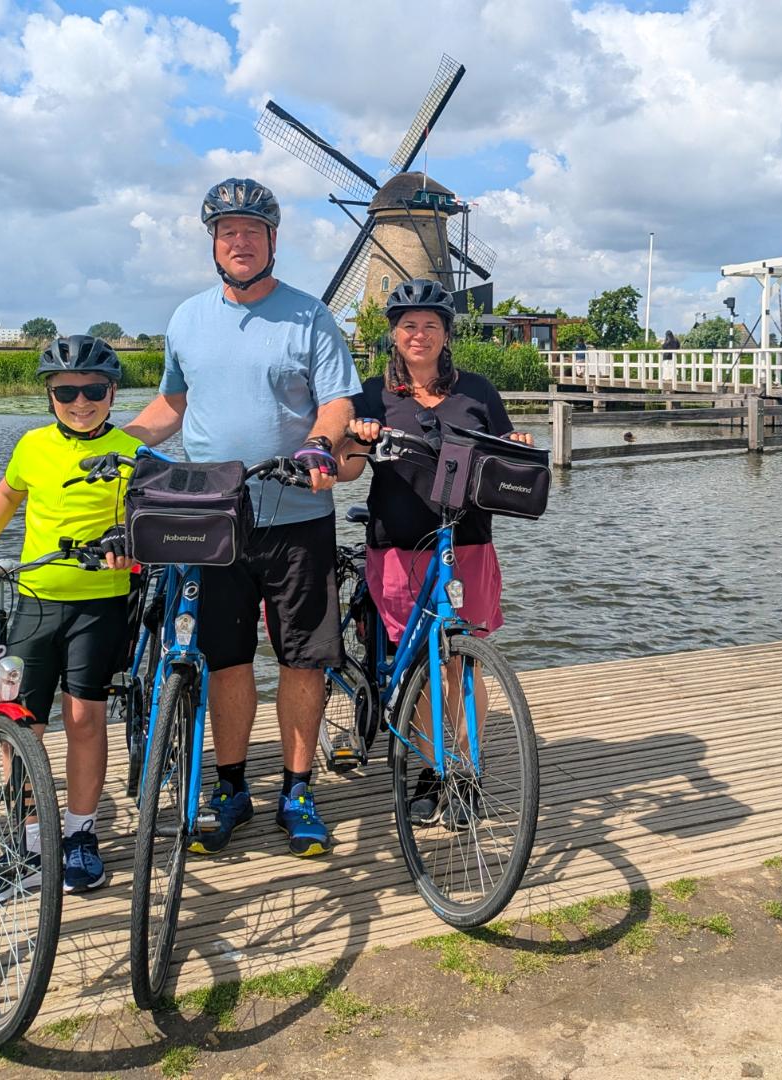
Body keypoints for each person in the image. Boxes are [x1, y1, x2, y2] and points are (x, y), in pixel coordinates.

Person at [120, 177, 358, 858]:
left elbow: (337, 403)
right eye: (228, 232)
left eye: (253, 230)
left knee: (302, 658)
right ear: (214, 244)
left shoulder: (310, 316)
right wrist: (117, 442)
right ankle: (230, 787)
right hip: (209, 515)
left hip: (295, 511)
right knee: (225, 659)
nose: (241, 241)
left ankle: (298, 788)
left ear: (273, 241)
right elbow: (172, 407)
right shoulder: (188, 319)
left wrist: (318, 441)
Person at [337, 278, 532, 824]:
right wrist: (355, 435)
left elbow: (503, 457)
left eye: (430, 325)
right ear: (394, 334)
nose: (418, 334)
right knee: (421, 665)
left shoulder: (478, 391)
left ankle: (465, 769)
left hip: (466, 542)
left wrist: (516, 448)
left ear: (446, 334)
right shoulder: (374, 394)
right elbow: (350, 468)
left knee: (462, 663)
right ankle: (430, 767)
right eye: (408, 325)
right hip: (399, 544)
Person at [0, 335, 143, 895]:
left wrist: (133, 544)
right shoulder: (33, 446)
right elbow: (6, 496)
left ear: (112, 393)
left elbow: (152, 516)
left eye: (92, 390)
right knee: (22, 721)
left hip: (100, 603)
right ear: (50, 394)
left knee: (85, 719)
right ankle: (33, 838)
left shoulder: (132, 451)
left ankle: (81, 835)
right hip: (35, 602)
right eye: (66, 391)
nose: (80, 401)